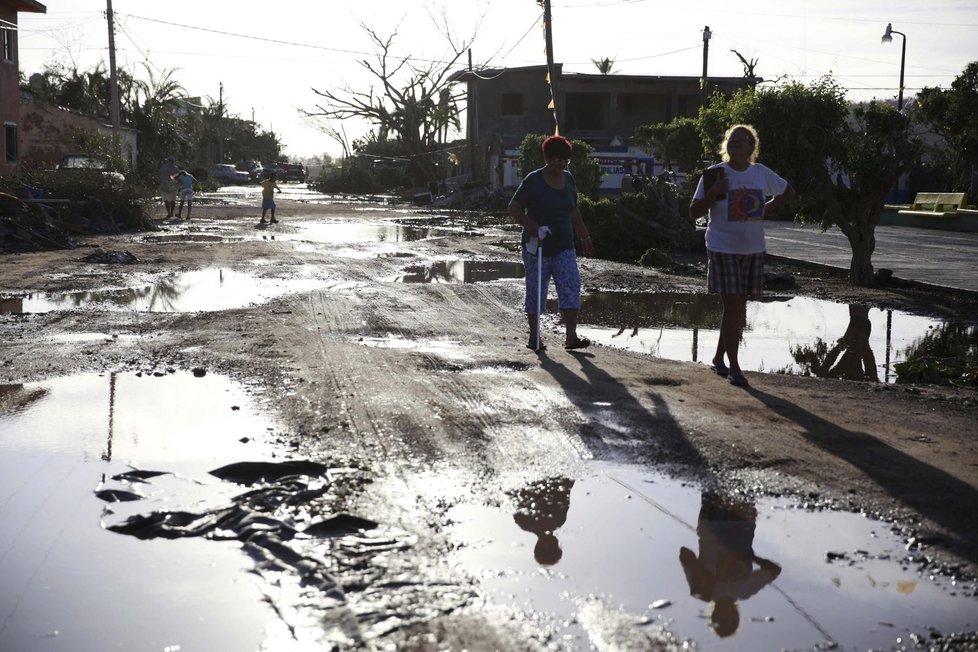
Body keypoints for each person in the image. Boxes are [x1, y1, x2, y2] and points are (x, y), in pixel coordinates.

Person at [689, 124, 795, 386]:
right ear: (726, 145)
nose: (735, 143)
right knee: (734, 306)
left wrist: (764, 209)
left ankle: (717, 358)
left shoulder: (760, 173)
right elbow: (693, 213)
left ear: (751, 146)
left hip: (753, 249)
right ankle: (734, 367)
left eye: (742, 139)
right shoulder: (715, 174)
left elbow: (788, 192)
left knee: (736, 308)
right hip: (722, 247)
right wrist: (714, 193)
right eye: (731, 139)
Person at [509, 135, 595, 352]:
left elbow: (574, 210)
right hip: (537, 246)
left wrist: (584, 236)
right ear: (546, 157)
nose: (562, 163)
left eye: (565, 159)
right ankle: (534, 338)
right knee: (536, 290)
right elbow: (514, 207)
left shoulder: (569, 179)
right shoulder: (533, 180)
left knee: (570, 286)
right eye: (557, 159)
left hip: (564, 244)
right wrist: (531, 225)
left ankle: (571, 338)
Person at [679, 490, 781, 638]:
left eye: (720, 619)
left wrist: (698, 575)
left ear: (713, 616)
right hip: (734, 523)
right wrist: (751, 557)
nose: (724, 615)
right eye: (729, 620)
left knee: (718, 481)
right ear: (736, 617)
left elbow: (684, 554)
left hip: (719, 522)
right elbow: (775, 570)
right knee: (740, 482)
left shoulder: (705, 591)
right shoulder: (745, 591)